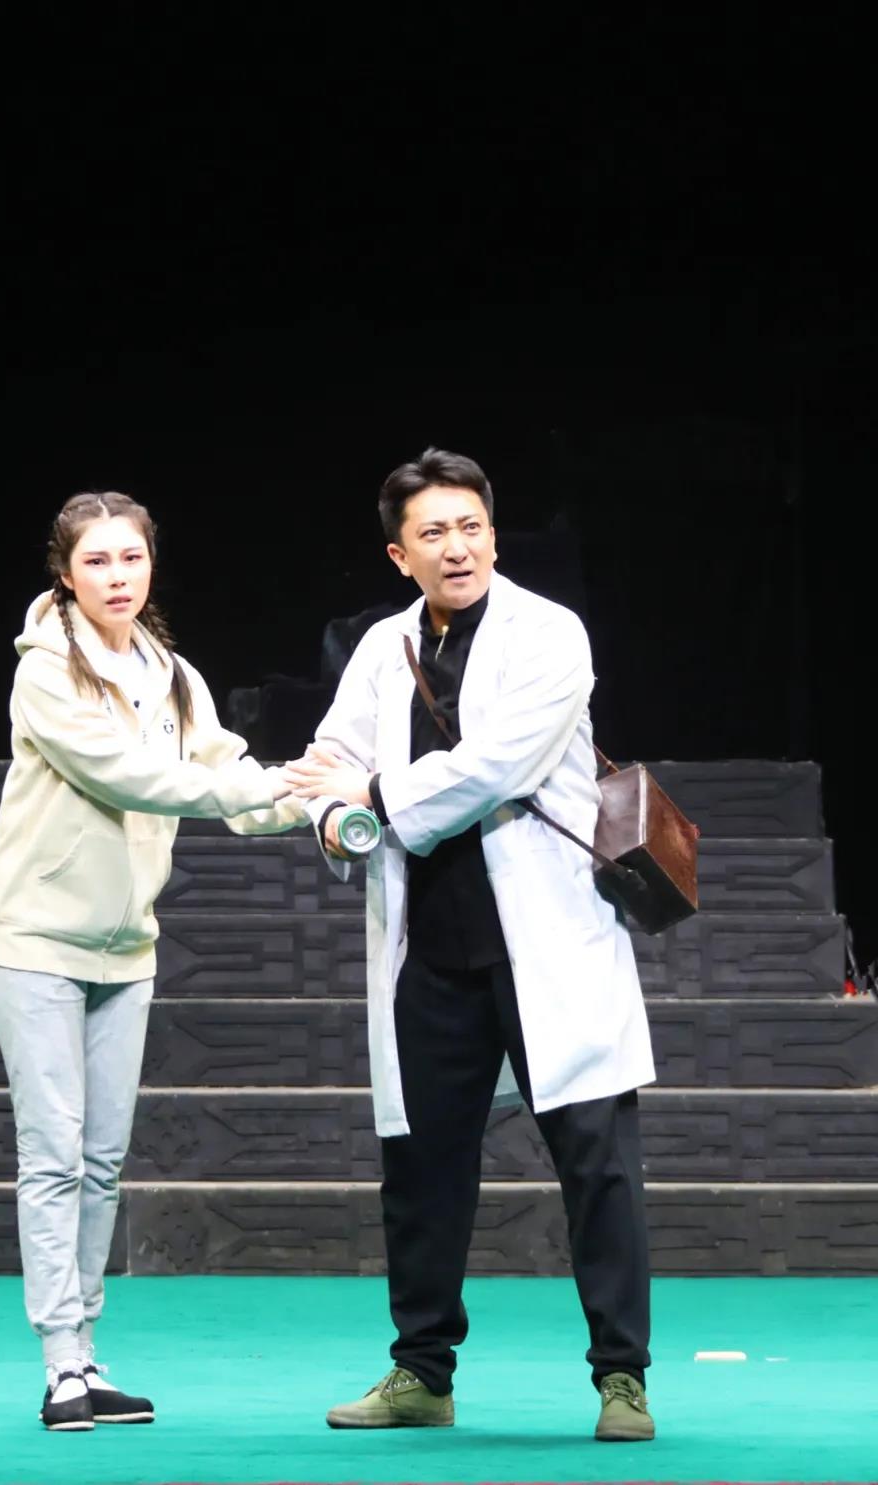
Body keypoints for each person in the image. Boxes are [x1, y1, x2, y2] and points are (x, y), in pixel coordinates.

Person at [286, 448, 656, 1443]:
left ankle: (622, 1376)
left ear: (493, 533)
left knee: (597, 1163)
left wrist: (372, 796)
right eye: (433, 534)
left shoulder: (550, 633)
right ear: (398, 554)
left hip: (550, 936)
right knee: (420, 1168)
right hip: (432, 950)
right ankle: (422, 1371)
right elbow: (329, 759)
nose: (456, 548)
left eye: (470, 528)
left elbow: (495, 767)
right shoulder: (381, 647)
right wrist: (335, 817)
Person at [0, 490, 302, 1432]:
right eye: (97, 561)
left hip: (128, 948)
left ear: (151, 564)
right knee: (53, 1154)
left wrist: (311, 798)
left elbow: (227, 770)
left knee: (103, 1159)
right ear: (65, 573)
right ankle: (59, 1365)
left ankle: (87, 1351)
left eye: (131, 558)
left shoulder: (172, 673)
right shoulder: (46, 673)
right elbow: (130, 776)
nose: (117, 576)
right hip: (38, 939)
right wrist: (245, 789)